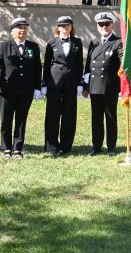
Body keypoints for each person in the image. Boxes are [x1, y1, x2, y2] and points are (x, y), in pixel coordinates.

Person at [0, 17, 42, 159]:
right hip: (6, 90)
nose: (22, 30)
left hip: (26, 90)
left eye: (25, 28)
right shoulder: (4, 46)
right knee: (6, 119)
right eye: (19, 28)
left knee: (21, 120)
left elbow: (37, 68)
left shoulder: (33, 47)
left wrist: (37, 87)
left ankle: (18, 149)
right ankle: (6, 148)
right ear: (12, 31)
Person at [42, 15, 84, 156]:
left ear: (71, 27)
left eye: (68, 25)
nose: (65, 28)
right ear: (58, 27)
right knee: (52, 115)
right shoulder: (52, 43)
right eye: (62, 25)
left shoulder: (78, 42)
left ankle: (66, 146)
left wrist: (80, 83)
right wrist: (44, 84)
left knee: (69, 115)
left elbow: (79, 65)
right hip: (54, 83)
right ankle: (51, 146)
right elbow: (47, 65)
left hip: (71, 84)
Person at [83, 11, 123, 156]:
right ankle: (96, 146)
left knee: (110, 117)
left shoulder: (118, 42)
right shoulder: (93, 43)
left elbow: (122, 59)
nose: (104, 26)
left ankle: (111, 147)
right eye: (101, 24)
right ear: (98, 27)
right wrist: (86, 86)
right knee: (96, 118)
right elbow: (88, 66)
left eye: (107, 24)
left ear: (112, 25)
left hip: (109, 86)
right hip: (94, 87)